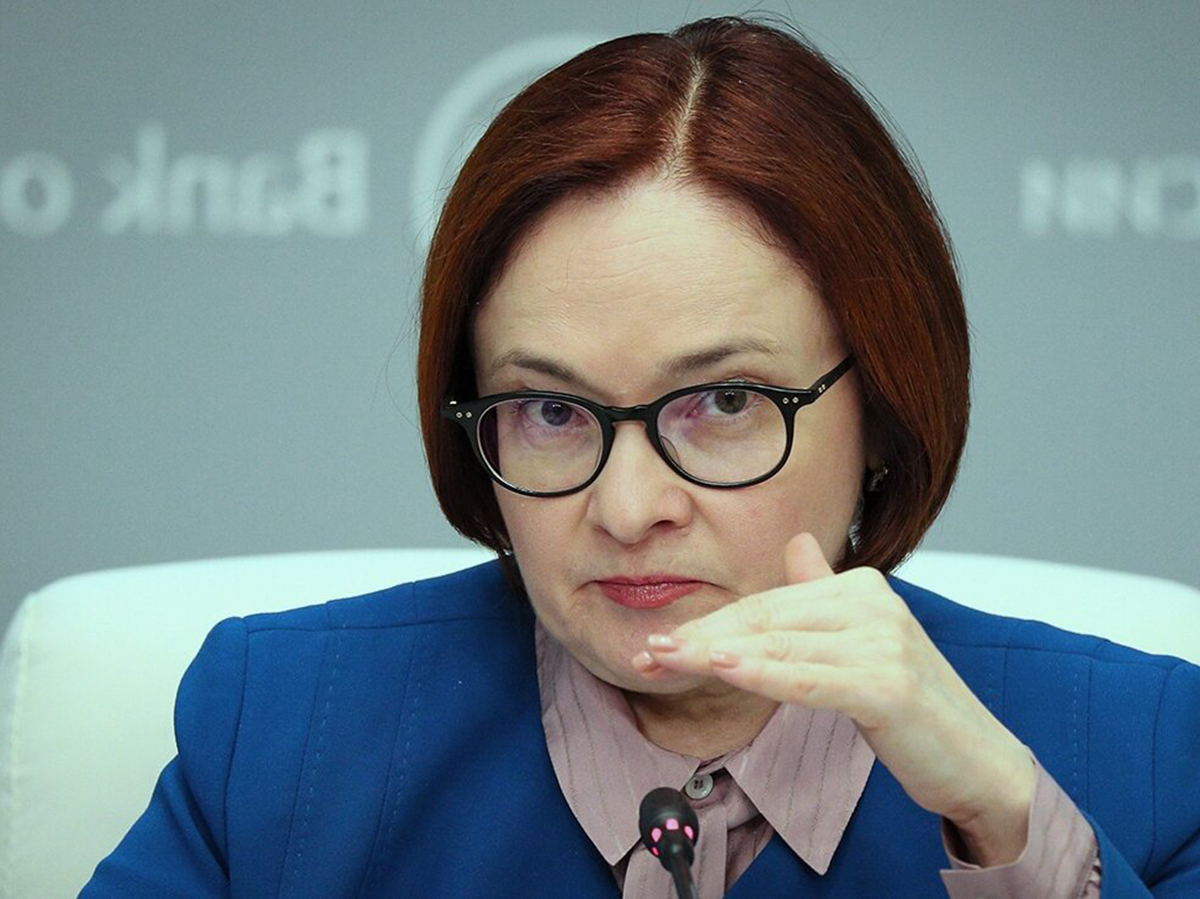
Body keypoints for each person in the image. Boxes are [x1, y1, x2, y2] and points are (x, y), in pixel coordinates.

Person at [81, 14, 1198, 898]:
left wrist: (1013, 829)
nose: (627, 507)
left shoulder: (1147, 751)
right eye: (551, 409)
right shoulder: (283, 726)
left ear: (884, 412)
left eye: (724, 400)